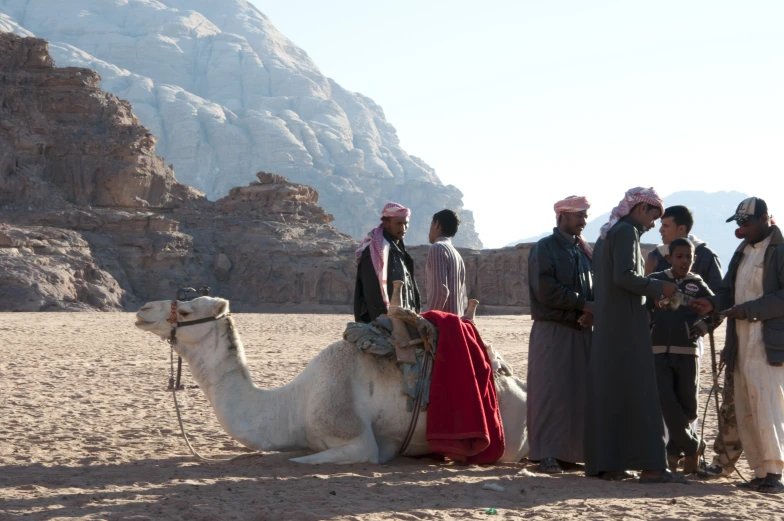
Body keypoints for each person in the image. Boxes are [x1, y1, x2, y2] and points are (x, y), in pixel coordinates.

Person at [584, 187, 687, 484]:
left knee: (612, 392)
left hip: (609, 326)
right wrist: (659, 288)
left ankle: (609, 463)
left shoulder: (608, 235)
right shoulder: (627, 232)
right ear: (641, 209)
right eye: (654, 216)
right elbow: (624, 276)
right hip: (626, 327)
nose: (654, 224)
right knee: (641, 393)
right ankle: (652, 467)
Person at [691, 197, 784, 494]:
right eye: (739, 223)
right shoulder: (742, 251)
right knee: (745, 407)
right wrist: (713, 304)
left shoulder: (780, 252)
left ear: (765, 219)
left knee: (768, 406)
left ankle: (774, 472)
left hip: (769, 343)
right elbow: (726, 291)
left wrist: (750, 309)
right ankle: (758, 471)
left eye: (747, 222)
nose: (742, 228)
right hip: (740, 342)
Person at [527, 195, 594, 474]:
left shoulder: (583, 251)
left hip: (580, 330)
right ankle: (545, 454)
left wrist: (591, 309)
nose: (583, 221)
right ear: (562, 216)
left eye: (585, 216)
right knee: (549, 393)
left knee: (576, 395)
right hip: (552, 329)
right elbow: (545, 289)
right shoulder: (545, 248)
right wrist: (583, 303)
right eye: (579, 215)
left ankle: (568, 453)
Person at [648, 238, 718, 475]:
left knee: (688, 407)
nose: (684, 261)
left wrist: (704, 326)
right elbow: (642, 306)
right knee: (665, 400)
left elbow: (716, 309)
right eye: (679, 256)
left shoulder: (697, 284)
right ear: (669, 258)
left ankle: (673, 450)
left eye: (689, 257)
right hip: (658, 351)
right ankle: (693, 446)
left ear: (694, 260)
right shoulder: (657, 280)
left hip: (688, 353)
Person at [354, 202, 421, 323]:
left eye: (406, 224)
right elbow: (373, 296)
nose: (403, 228)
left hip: (403, 322)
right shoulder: (374, 254)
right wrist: (385, 325)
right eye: (398, 224)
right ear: (385, 223)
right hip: (384, 324)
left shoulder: (399, 251)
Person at [645, 205, 723, 293]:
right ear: (669, 258)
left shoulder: (706, 256)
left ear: (681, 229)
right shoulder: (656, 255)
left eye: (665, 226)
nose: (660, 230)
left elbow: (717, 293)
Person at [425, 209, 467, 315]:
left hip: (443, 323)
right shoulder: (456, 254)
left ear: (437, 225)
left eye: (431, 224)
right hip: (456, 320)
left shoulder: (437, 248)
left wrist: (430, 318)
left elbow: (440, 291)